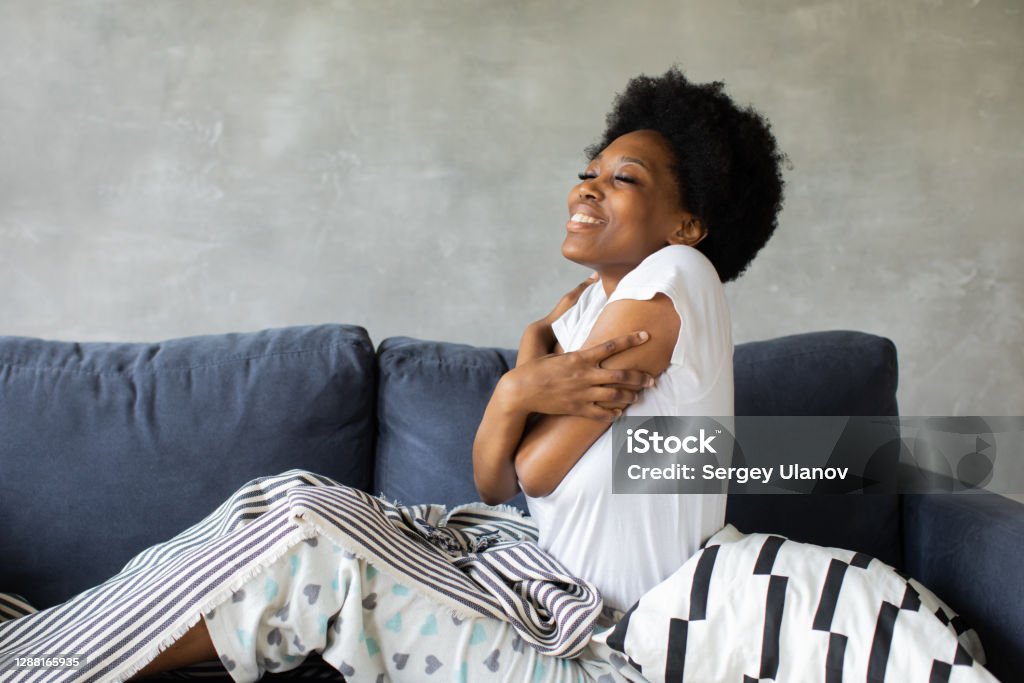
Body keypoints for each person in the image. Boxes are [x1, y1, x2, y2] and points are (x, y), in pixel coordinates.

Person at [127, 65, 787, 680]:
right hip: (557, 594)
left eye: (625, 177)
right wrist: (525, 368)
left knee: (315, 549)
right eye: (590, 169)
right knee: (293, 502)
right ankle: (95, 638)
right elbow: (492, 481)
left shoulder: (677, 275)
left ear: (688, 223)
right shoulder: (590, 304)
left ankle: (68, 663)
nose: (588, 185)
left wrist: (520, 387)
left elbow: (533, 469)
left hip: (608, 646)